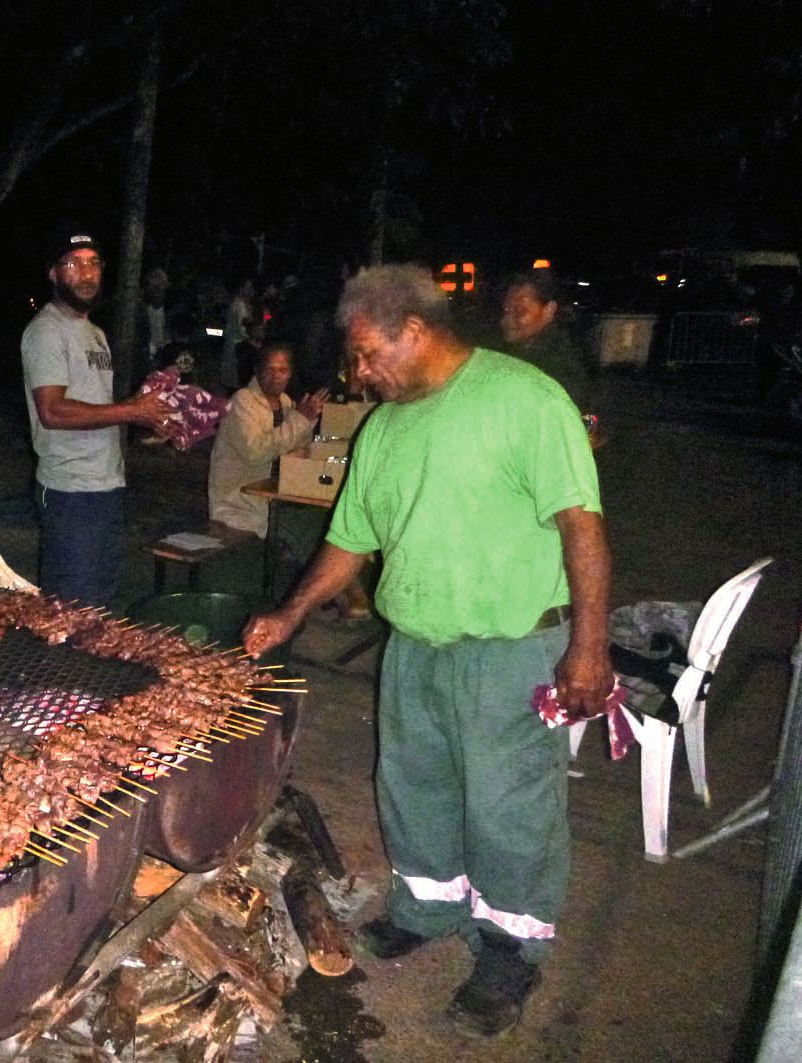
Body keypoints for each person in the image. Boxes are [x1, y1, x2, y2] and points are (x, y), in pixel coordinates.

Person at [243, 265, 612, 1038]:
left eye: (369, 353)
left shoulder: (523, 398)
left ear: (414, 330)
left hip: (510, 646)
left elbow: (581, 524)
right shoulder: (381, 428)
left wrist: (588, 645)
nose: (359, 371)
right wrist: (289, 612)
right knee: (413, 784)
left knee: (509, 805)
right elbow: (349, 540)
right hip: (413, 644)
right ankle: (426, 907)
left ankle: (509, 948)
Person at [21, 223, 173, 607]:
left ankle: (86, 668)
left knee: (101, 605)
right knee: (71, 608)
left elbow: (99, 408)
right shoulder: (46, 332)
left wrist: (145, 416)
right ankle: (56, 669)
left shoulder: (96, 334)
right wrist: (129, 410)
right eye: (74, 264)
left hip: (105, 485)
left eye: (93, 264)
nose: (86, 273)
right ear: (54, 273)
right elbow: (52, 411)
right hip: (70, 490)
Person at [207, 343, 327, 538]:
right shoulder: (242, 402)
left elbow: (296, 447)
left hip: (274, 497)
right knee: (305, 532)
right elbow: (256, 452)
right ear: (257, 370)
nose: (276, 375)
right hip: (240, 503)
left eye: (282, 370)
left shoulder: (286, 402)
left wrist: (308, 420)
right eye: (270, 369)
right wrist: (299, 421)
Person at [499, 271, 594, 413]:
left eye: (520, 311)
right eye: (506, 310)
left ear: (549, 310)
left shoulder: (561, 362)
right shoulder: (518, 351)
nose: (506, 320)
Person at [220, 276, 256, 389]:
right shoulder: (240, 305)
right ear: (241, 288)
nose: (251, 290)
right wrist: (252, 337)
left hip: (234, 342)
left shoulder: (238, 303)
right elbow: (242, 328)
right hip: (237, 345)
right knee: (235, 377)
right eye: (248, 287)